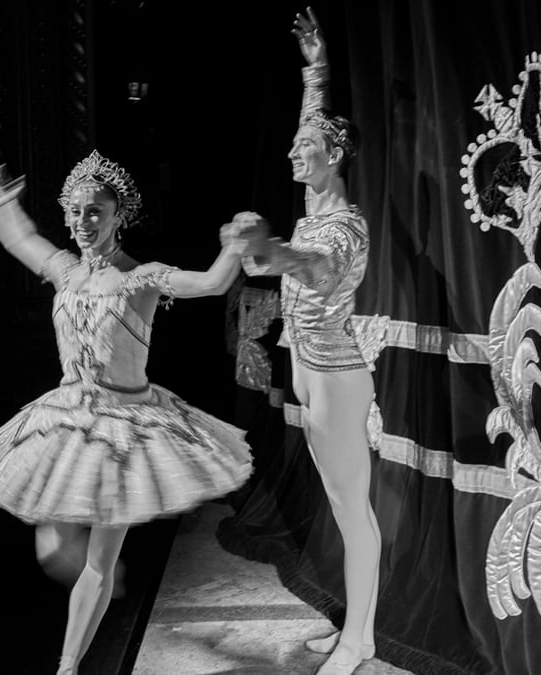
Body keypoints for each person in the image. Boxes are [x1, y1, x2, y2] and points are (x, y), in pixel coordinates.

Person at [0, 151, 253, 675]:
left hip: (126, 426)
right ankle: (100, 589)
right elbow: (19, 239)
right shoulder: (65, 271)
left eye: (95, 211)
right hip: (68, 418)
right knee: (53, 550)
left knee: (97, 558)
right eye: (74, 210)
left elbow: (209, 283)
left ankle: (68, 666)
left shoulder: (143, 278)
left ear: (120, 216)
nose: (82, 221)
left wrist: (234, 246)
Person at [228, 8, 381, 675]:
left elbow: (315, 270)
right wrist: (314, 63)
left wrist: (273, 253)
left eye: (306, 148)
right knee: (339, 502)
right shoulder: (315, 209)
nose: (293, 152)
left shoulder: (344, 228)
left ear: (337, 156)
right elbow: (311, 120)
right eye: (293, 145)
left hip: (340, 379)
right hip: (312, 370)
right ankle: (353, 624)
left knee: (353, 508)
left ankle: (362, 639)